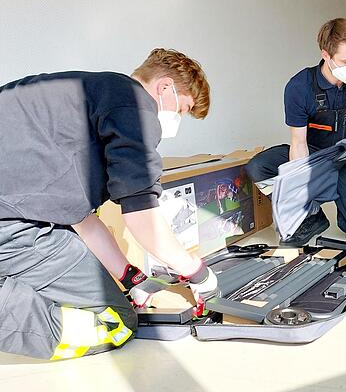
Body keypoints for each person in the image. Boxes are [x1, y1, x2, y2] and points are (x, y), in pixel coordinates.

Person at [0, 49, 220, 360]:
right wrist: (198, 273)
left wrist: (133, 278)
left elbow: (82, 220)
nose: (176, 121)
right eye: (182, 110)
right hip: (11, 228)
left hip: (13, 218)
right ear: (164, 87)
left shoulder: (84, 99)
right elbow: (144, 219)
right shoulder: (136, 105)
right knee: (118, 322)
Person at [245, 18, 346, 247]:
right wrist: (298, 191)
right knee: (258, 167)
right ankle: (311, 217)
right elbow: (298, 142)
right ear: (326, 55)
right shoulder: (300, 86)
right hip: (314, 155)